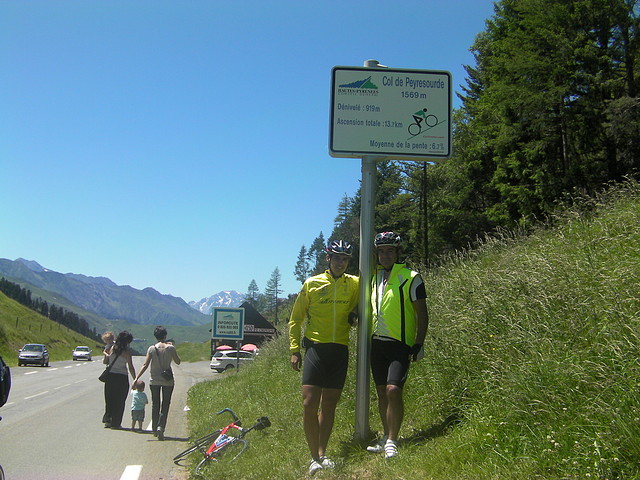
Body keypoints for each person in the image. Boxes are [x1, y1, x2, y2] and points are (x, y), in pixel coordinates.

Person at [289, 240, 359, 475]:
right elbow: (295, 319)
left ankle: (322, 453)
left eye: (345, 259)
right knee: (309, 404)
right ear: (328, 259)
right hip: (316, 350)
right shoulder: (312, 283)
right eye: (337, 257)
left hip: (340, 348)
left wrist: (356, 313)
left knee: (329, 405)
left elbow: (365, 303)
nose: (341, 262)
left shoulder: (355, 284)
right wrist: (294, 350)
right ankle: (313, 458)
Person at [367, 232, 428, 459]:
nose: (385, 255)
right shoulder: (373, 278)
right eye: (381, 251)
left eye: (390, 250)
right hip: (377, 343)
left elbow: (422, 313)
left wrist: (419, 342)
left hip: (400, 344)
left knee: (393, 390)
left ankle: (393, 439)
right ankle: (385, 435)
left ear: (398, 252)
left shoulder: (412, 277)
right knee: (382, 391)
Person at [134, 326, 181, 440]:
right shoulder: (170, 348)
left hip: (154, 380)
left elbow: (145, 365)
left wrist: (136, 378)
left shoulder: (151, 349)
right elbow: (178, 362)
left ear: (155, 336)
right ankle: (161, 427)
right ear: (165, 335)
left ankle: (154, 428)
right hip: (168, 381)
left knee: (156, 404)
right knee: (165, 404)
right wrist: (172, 348)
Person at [103, 331, 136, 429]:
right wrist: (135, 379)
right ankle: (116, 423)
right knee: (120, 401)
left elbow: (106, 361)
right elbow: (130, 367)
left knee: (109, 399)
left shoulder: (111, 348)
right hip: (122, 377)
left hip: (110, 376)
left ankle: (108, 419)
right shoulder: (127, 353)